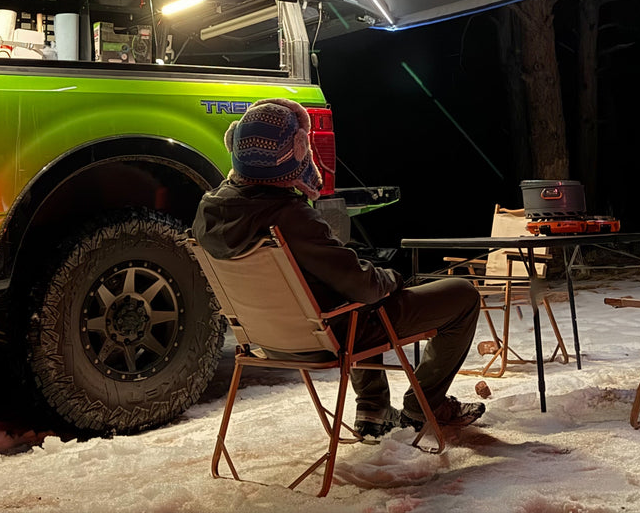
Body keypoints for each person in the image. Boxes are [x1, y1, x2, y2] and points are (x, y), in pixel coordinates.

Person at [192, 97, 485, 437]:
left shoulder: (207, 212)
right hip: (325, 337)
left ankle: (373, 408)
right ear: (296, 151)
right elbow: (366, 288)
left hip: (265, 339)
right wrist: (392, 278)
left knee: (343, 298)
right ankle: (425, 405)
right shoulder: (289, 216)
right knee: (461, 295)